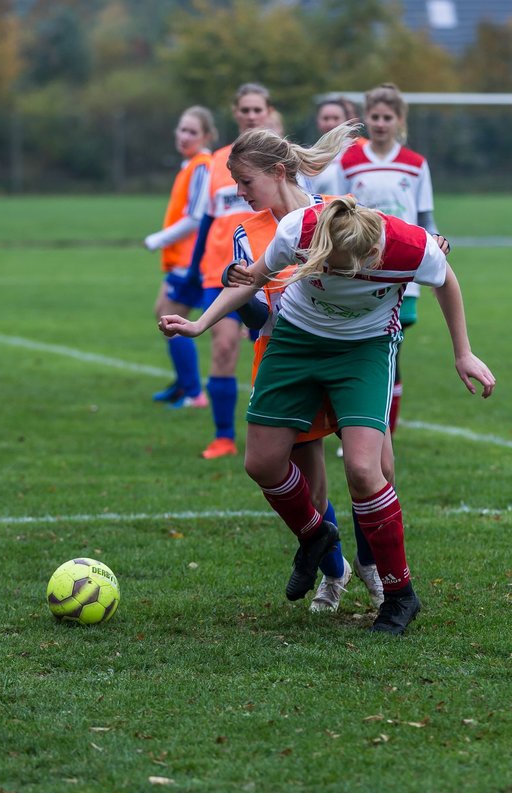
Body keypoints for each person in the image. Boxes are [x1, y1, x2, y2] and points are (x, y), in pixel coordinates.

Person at [159, 196, 495, 635]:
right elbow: (253, 279)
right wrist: (200, 324)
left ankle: (399, 595)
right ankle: (317, 535)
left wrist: (463, 353)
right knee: (261, 463)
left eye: (344, 268)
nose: (336, 274)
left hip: (364, 349)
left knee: (364, 468)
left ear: (371, 253)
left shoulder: (410, 247)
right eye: (328, 266)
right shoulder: (298, 230)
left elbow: (446, 282)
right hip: (296, 341)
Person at [224, 121, 376, 613]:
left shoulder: (331, 215)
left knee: (371, 470)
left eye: (245, 182)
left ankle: (381, 577)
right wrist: (237, 292)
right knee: (309, 484)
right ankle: (335, 573)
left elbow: (380, 253)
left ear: (276, 170)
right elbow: (260, 316)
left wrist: (434, 241)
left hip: (349, 352)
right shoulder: (245, 232)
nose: (238, 192)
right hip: (283, 356)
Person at [178, 83, 275, 459]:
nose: (251, 115)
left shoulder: (280, 158)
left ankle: (274, 433)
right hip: (221, 272)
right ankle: (223, 436)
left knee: (269, 354)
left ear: (268, 112)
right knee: (222, 347)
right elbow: (206, 219)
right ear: (235, 112)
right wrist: (192, 269)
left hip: (270, 274)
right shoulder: (218, 160)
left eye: (257, 109)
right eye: (245, 109)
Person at [340, 83, 438, 433]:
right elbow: (337, 212)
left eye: (387, 117)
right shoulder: (349, 162)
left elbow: (426, 219)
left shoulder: (414, 165)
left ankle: (381, 434)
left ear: (399, 120)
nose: (380, 123)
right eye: (375, 116)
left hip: (403, 271)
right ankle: (361, 430)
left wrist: (434, 246)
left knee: (387, 352)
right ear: (366, 118)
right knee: (359, 351)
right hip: (359, 270)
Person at [145, 106, 216, 408]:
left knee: (171, 320)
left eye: (192, 132)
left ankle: (193, 393)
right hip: (179, 259)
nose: (184, 136)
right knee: (161, 311)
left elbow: (197, 217)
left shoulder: (202, 165)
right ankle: (182, 383)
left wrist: (157, 239)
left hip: (192, 262)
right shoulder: (188, 165)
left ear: (207, 136)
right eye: (182, 129)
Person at [308, 96, 357, 196]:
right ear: (318, 121)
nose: (331, 123)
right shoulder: (310, 155)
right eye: (325, 118)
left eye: (336, 118)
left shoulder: (358, 151)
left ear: (346, 121)